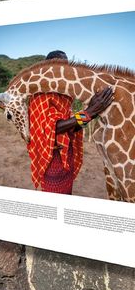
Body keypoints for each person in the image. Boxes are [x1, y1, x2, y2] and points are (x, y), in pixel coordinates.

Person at [28, 50, 113, 194]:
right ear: (47, 68)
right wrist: (89, 112)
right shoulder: (40, 94)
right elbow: (53, 127)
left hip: (67, 155)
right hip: (52, 159)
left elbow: (71, 126)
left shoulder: (65, 96)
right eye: (59, 65)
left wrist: (92, 113)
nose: (64, 70)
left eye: (66, 66)